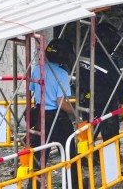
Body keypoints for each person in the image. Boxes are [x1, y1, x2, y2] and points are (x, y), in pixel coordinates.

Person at [27, 38, 77, 168]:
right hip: (56, 116)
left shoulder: (37, 69)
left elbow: (33, 90)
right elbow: (61, 102)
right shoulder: (62, 74)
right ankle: (73, 182)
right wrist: (76, 112)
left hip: (39, 114)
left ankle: (34, 185)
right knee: (69, 152)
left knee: (39, 156)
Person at [78, 22, 123, 142]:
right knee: (110, 132)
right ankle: (111, 159)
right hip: (105, 99)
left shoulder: (84, 54)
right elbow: (117, 81)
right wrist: (122, 99)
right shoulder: (107, 60)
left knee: (88, 130)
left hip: (85, 97)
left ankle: (84, 157)